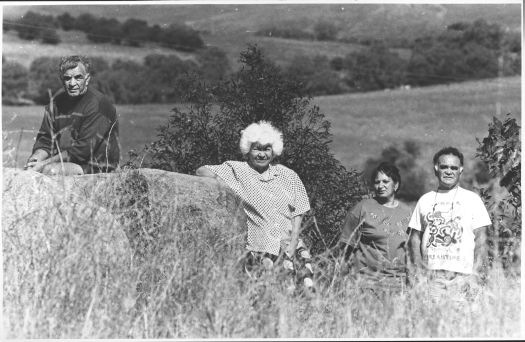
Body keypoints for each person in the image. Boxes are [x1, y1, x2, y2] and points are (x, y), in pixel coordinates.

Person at [195, 121, 314, 291]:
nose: (262, 154)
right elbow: (201, 171)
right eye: (257, 149)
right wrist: (225, 184)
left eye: (267, 149)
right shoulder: (237, 169)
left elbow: (300, 208)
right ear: (248, 150)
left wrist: (294, 241)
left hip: (292, 246)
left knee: (305, 296)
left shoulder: (288, 175)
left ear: (274, 150)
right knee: (270, 298)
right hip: (261, 247)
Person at [407, 146, 491, 302]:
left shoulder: (472, 199)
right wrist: (419, 273)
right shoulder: (425, 200)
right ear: (436, 169)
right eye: (444, 167)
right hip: (432, 278)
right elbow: (415, 238)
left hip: (462, 278)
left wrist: (475, 275)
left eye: (453, 167)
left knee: (461, 324)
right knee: (431, 323)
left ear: (460, 170)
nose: (448, 171)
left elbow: (481, 239)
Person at [24, 55, 120, 175]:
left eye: (78, 78)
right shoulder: (55, 104)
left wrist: (43, 164)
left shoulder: (98, 105)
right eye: (67, 78)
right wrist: (35, 160)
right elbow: (46, 140)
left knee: (50, 171)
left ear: (87, 79)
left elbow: (81, 151)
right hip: (67, 162)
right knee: (30, 170)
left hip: (97, 167)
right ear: (62, 80)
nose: (72, 83)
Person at [336, 162, 412, 296]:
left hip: (398, 282)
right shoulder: (362, 208)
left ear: (396, 185)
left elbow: (411, 250)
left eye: (385, 181)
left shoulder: (408, 212)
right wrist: (343, 281)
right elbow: (345, 247)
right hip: (367, 282)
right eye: (377, 182)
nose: (380, 186)